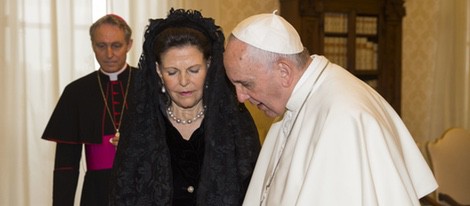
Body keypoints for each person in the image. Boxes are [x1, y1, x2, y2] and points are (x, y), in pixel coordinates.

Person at [223, 11, 438, 206]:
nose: (240, 97)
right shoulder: (300, 100)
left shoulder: (343, 118)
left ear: (284, 71)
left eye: (246, 84)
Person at [109, 9, 261, 206]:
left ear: (209, 64)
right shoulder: (140, 125)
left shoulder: (235, 122)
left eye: (193, 70)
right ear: (158, 70)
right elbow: (122, 195)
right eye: (172, 72)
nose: (183, 81)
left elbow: (255, 193)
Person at [42, 14, 136, 205]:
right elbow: (66, 164)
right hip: (97, 192)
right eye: (101, 46)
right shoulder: (77, 92)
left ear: (129, 44)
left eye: (116, 45)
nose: (109, 54)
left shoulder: (149, 84)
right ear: (92, 46)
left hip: (145, 188)